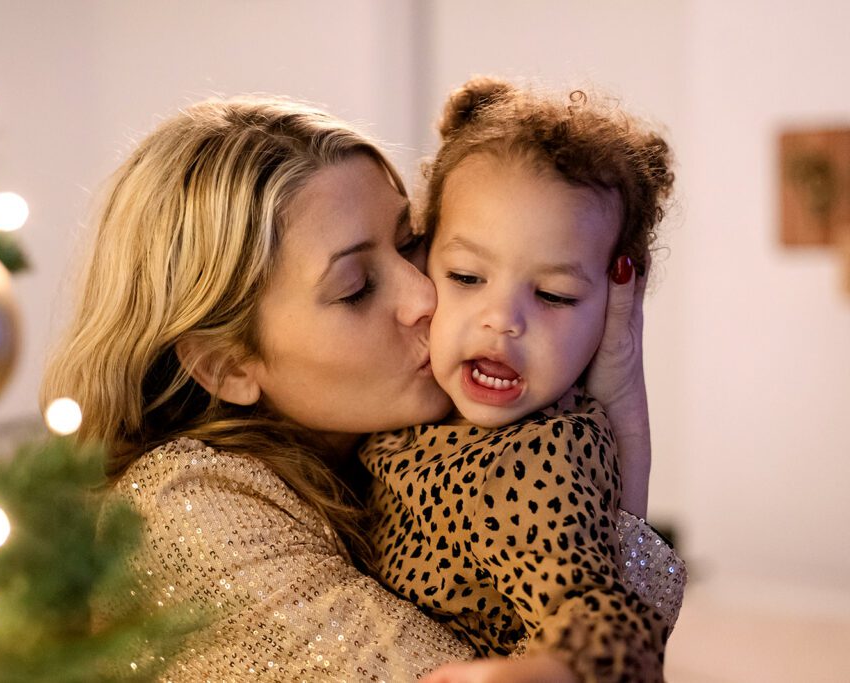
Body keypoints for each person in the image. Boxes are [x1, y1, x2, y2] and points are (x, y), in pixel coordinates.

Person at [40, 94, 684, 681]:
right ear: (227, 366)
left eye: (411, 245)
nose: (423, 296)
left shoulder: (411, 445)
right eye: (356, 288)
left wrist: (619, 413)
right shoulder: (185, 508)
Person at [360, 77, 681, 683]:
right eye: (466, 277)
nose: (502, 320)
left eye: (554, 295)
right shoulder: (412, 403)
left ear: (611, 312)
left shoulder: (537, 454)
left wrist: (541, 674)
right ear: (423, 258)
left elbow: (599, 612)